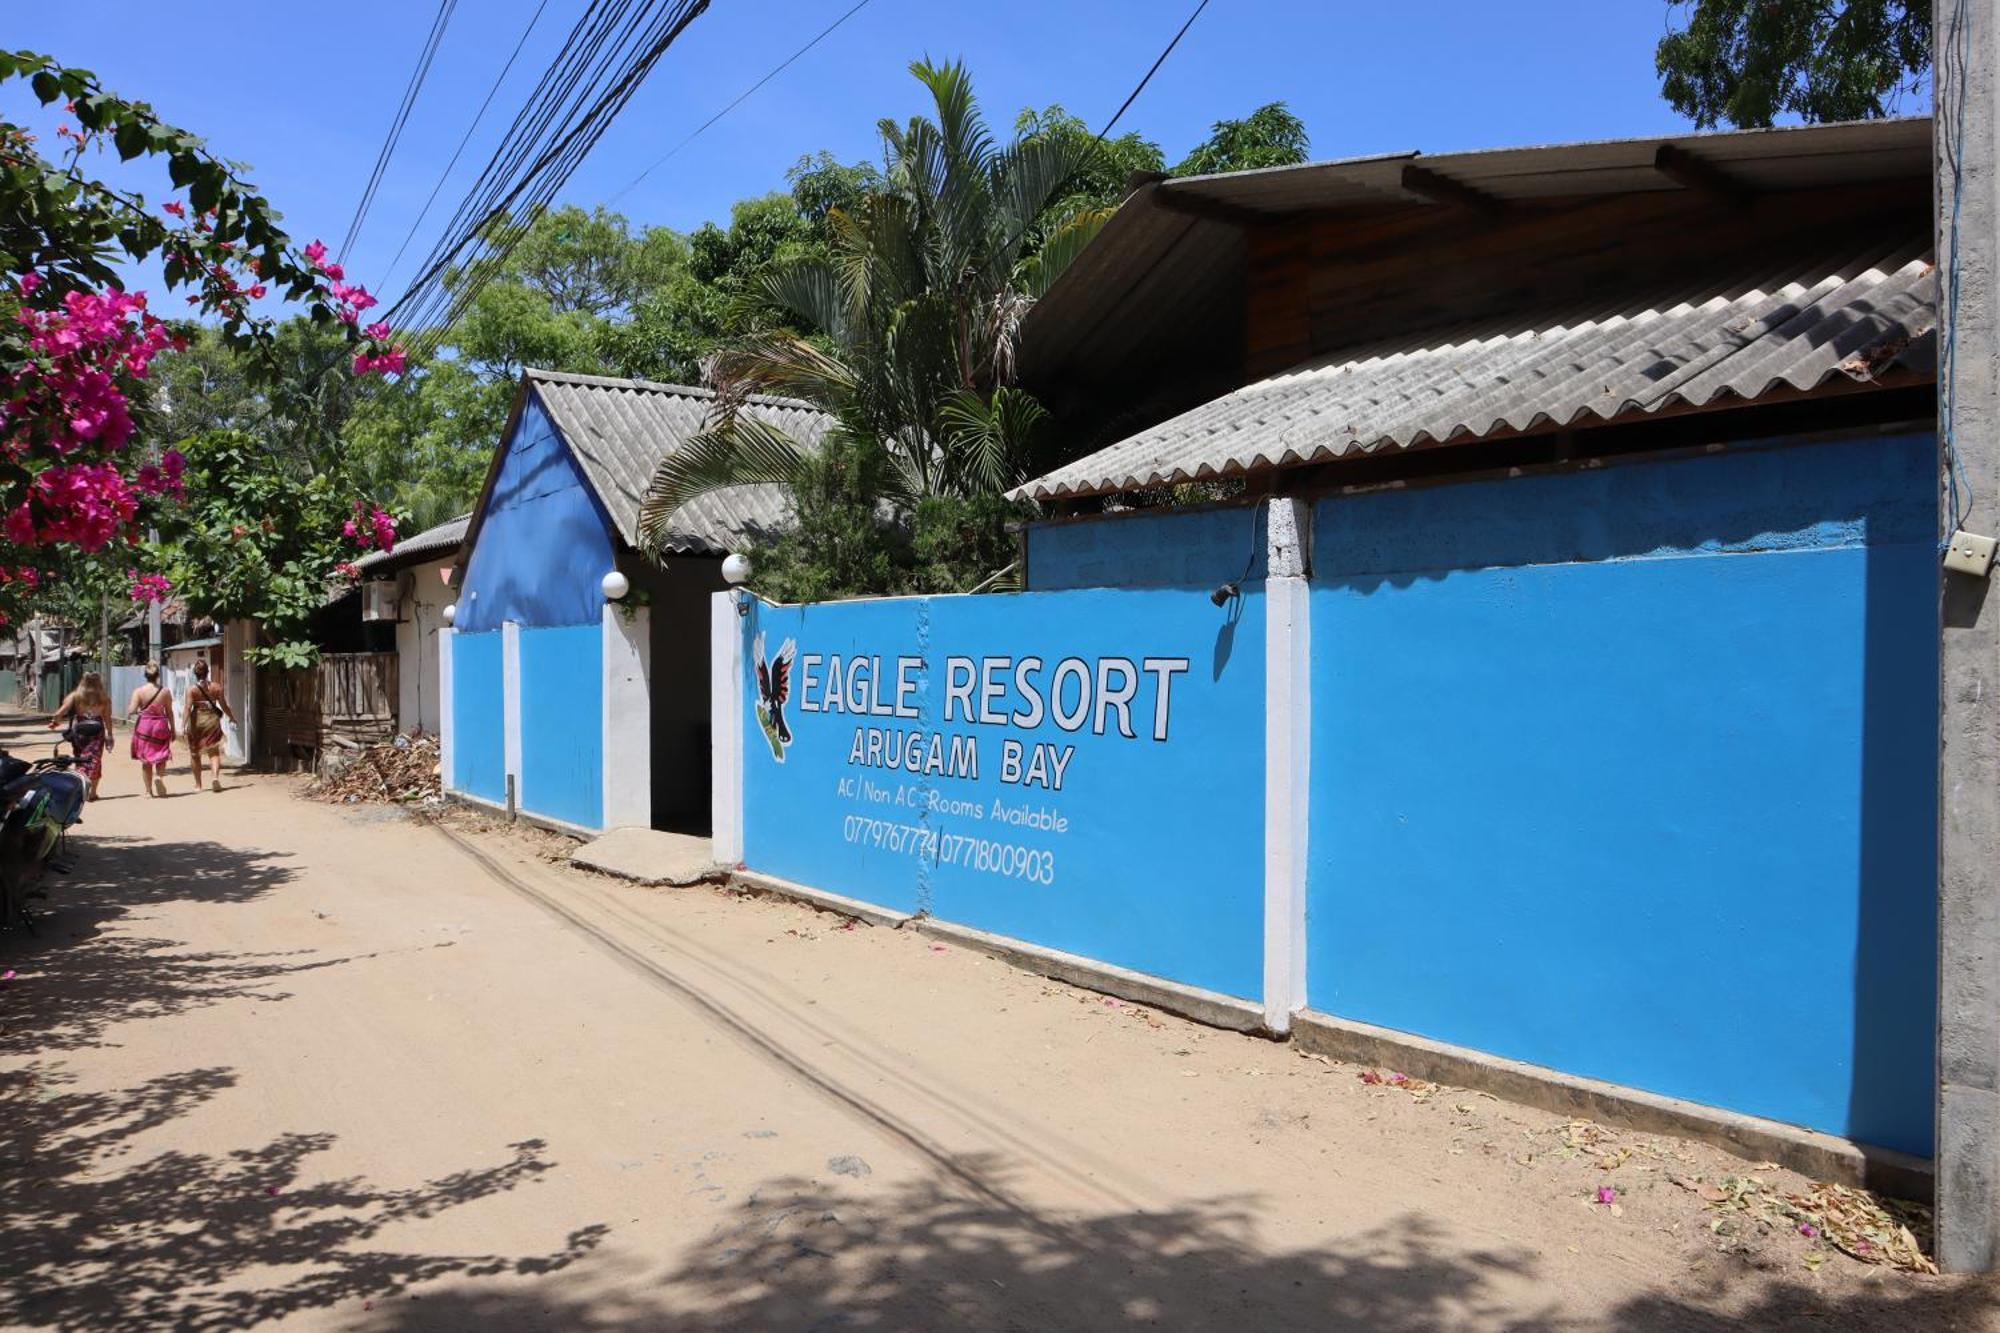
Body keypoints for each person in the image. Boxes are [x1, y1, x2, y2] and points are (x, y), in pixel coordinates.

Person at [49, 671, 113, 801]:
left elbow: (59, 712)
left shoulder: (76, 696)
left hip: (80, 733)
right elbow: (107, 719)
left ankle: (80, 789)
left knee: (79, 759)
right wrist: (110, 735)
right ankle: (92, 793)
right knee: (95, 761)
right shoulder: (104, 698)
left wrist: (55, 722)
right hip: (97, 733)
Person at [184, 658, 236, 793]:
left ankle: (198, 785)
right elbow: (224, 706)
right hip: (212, 721)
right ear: (208, 672)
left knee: (195, 754)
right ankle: (215, 778)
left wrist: (183, 724)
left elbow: (187, 708)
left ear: (195, 673)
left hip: (196, 722)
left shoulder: (191, 690)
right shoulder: (216, 687)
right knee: (214, 752)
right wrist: (232, 717)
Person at [126, 664, 175, 798]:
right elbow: (170, 712)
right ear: (158, 675)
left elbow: (131, 711)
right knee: (161, 754)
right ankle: (159, 776)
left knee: (146, 760)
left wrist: (134, 709)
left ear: (145, 675)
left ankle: (148, 791)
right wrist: (173, 729)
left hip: (144, 727)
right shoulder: (165, 691)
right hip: (160, 725)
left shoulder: (139, 691)